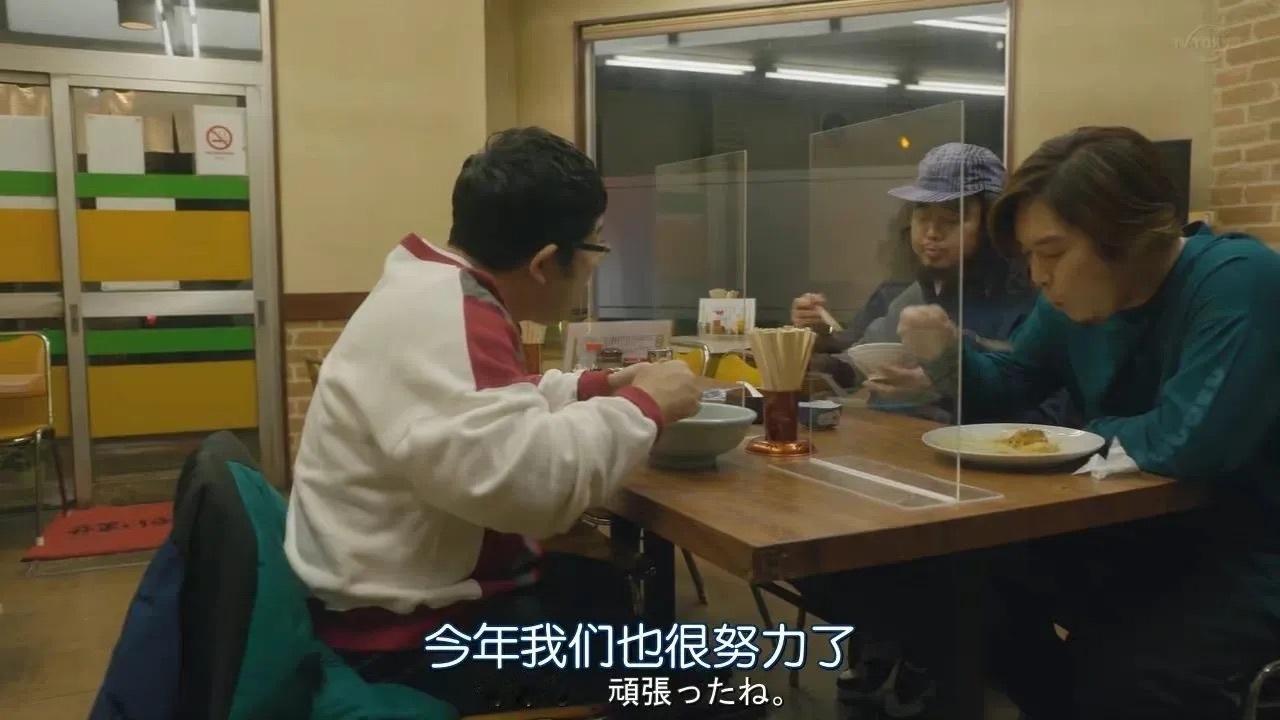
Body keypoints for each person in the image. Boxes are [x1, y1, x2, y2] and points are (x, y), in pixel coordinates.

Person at [284, 127, 706, 715]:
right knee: (706, 682)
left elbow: (493, 404)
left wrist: (596, 387)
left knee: (605, 590)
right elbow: (534, 488)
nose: (594, 264)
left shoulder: (432, 288)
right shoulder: (451, 315)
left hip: (392, 605)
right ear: (544, 263)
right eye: (594, 247)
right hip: (411, 644)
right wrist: (645, 407)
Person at [898, 126, 1280, 719]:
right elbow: (1009, 387)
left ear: (1129, 235)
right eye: (1030, 256)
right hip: (1134, 534)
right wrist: (945, 354)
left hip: (1247, 548)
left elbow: (1193, 440)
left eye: (1051, 253)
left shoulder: (1238, 279)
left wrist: (1086, 433)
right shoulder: (1072, 305)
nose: (1037, 275)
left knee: (1126, 670)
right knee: (963, 587)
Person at [791, 143, 1071, 425]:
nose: (932, 233)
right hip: (896, 439)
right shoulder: (914, 290)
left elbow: (1042, 400)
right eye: (922, 217)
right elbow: (864, 359)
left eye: (951, 219)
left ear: (994, 225)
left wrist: (943, 386)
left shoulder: (1035, 295)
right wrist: (812, 351)